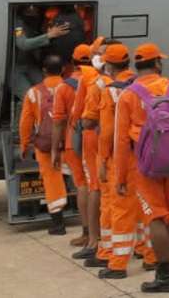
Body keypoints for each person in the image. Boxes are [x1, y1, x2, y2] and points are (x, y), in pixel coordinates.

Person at [114, 43, 169, 293]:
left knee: (156, 217)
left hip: (145, 166)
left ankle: (165, 273)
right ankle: (166, 270)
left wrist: (120, 176)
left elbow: (121, 140)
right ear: (157, 63)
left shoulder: (128, 95)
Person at [91, 43, 157, 277]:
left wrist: (104, 161)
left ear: (108, 65)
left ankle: (117, 263)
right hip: (149, 154)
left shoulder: (111, 90)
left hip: (125, 158)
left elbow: (109, 133)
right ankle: (150, 256)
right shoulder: (145, 86)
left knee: (120, 209)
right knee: (148, 207)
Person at [18, 54, 70, 235]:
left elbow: (25, 122)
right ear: (63, 69)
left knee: (52, 181)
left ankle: (58, 224)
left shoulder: (33, 93)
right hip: (72, 142)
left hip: (46, 145)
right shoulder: (72, 88)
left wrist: (24, 145)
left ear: (43, 71)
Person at [53, 43, 95, 249]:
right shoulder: (100, 81)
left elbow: (58, 121)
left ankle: (88, 233)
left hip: (73, 142)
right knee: (98, 186)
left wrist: (54, 148)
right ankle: (100, 231)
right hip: (96, 140)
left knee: (83, 187)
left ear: (72, 61)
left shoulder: (64, 87)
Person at [74, 38, 109, 261]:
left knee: (93, 186)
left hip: (92, 137)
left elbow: (79, 115)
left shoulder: (89, 80)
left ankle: (94, 239)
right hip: (113, 140)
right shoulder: (127, 81)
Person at [11, 5, 70, 100]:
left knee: (49, 91)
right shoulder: (19, 25)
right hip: (16, 68)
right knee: (31, 98)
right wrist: (49, 35)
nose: (32, 12)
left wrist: (50, 36)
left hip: (30, 64)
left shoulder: (36, 24)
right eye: (29, 10)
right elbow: (23, 44)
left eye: (35, 10)